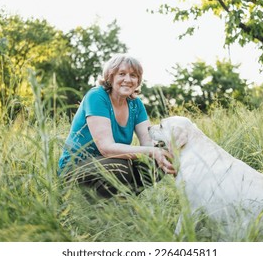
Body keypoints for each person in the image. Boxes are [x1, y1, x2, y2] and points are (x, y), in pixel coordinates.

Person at [58, 54, 175, 197]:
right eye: (122, 74)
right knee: (121, 167)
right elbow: (106, 148)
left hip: (111, 165)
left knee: (157, 160)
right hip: (76, 168)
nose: (128, 79)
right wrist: (152, 151)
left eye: (133, 75)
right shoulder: (96, 96)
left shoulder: (135, 104)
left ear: (138, 80)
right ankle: (94, 205)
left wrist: (166, 151)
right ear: (110, 77)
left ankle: (123, 203)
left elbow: (149, 141)